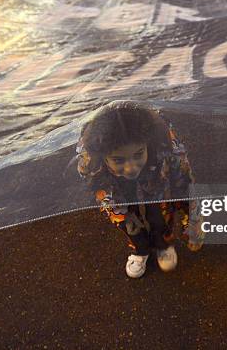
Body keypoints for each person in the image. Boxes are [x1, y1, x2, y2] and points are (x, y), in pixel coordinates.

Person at [76, 101, 203, 278]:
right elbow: (99, 188)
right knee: (128, 222)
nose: (130, 168)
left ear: (147, 144)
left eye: (138, 154)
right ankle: (140, 248)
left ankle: (162, 243)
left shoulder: (165, 145)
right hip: (113, 182)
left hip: (154, 173)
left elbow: (185, 183)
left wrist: (194, 222)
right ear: (103, 157)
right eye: (118, 160)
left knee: (158, 211)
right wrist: (123, 213)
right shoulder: (91, 159)